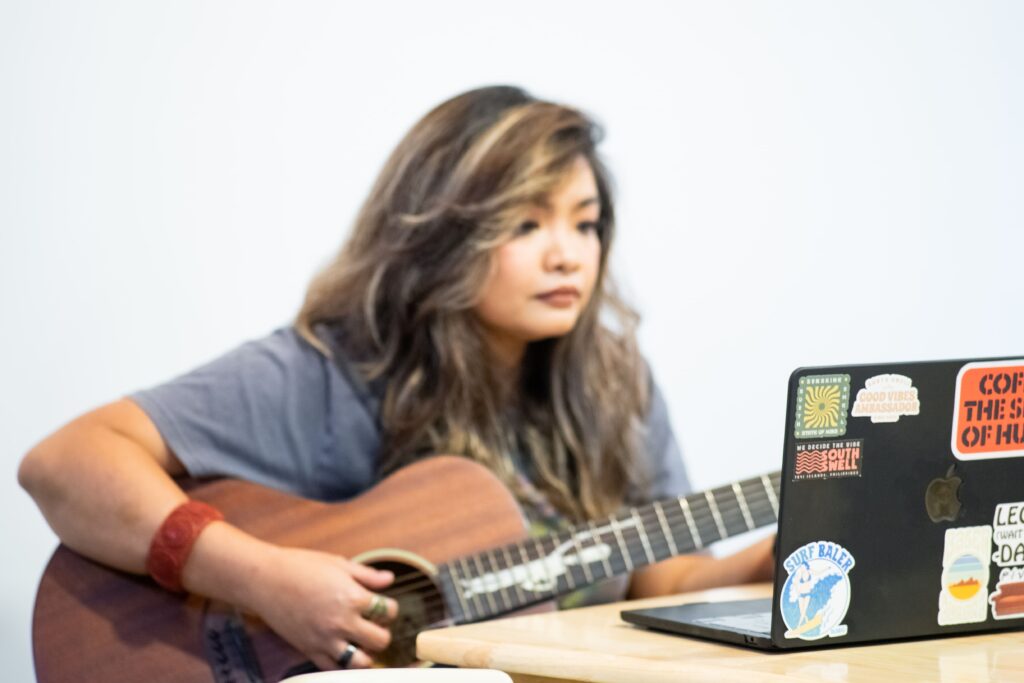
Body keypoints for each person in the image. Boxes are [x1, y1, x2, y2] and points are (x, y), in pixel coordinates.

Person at [19, 85, 773, 671]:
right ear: (446, 229)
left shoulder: (616, 383)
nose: (568, 254)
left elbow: (652, 577)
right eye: (525, 223)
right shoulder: (330, 372)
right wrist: (263, 579)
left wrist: (771, 556)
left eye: (584, 222)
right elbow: (64, 464)